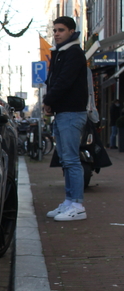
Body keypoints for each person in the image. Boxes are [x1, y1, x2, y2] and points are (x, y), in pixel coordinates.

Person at [43, 16, 88, 221]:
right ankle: (69, 201)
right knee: (65, 160)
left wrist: (48, 100)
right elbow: (54, 81)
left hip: (71, 113)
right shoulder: (60, 53)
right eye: (54, 30)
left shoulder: (74, 53)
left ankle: (77, 205)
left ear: (71, 31)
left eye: (61, 30)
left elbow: (64, 82)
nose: (56, 34)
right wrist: (51, 103)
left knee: (71, 160)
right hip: (63, 113)